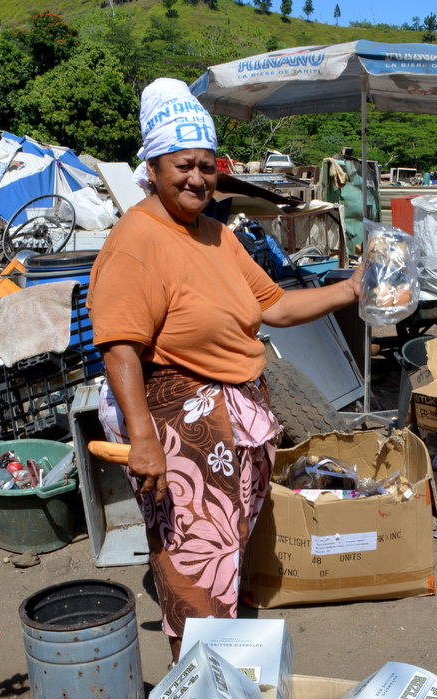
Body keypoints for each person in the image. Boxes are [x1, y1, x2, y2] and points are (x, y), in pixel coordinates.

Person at [87, 78, 364, 663]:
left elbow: (277, 306)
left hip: (236, 417)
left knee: (225, 549)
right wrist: (142, 441)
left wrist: (350, 289)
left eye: (207, 167)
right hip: (178, 425)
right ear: (153, 167)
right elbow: (118, 347)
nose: (197, 179)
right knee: (193, 561)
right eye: (183, 166)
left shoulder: (215, 234)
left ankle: (228, 675)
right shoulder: (137, 240)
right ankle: (204, 692)